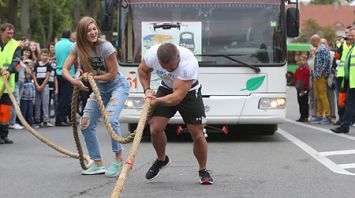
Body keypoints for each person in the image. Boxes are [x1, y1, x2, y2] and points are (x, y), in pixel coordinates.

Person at [61, 16, 129, 177]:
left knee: (111, 119)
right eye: (89, 30)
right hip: (100, 90)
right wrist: (74, 80)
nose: (93, 32)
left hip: (117, 87)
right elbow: (64, 69)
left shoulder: (106, 47)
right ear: (82, 34)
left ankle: (119, 160)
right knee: (85, 124)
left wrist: (91, 78)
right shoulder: (77, 47)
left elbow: (112, 75)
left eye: (94, 29)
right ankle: (97, 163)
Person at [138, 43, 213, 184]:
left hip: (189, 93)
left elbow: (177, 98)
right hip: (166, 88)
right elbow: (142, 70)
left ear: (177, 57)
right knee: (155, 128)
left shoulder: (188, 63)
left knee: (197, 134)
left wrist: (155, 101)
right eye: (163, 67)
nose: (167, 69)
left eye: (171, 67)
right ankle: (162, 159)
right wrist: (147, 89)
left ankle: (203, 170)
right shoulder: (152, 55)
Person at [0, 23, 22, 144]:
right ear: (1, 32)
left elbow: (17, 61)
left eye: (12, 33)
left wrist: (9, 71)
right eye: (8, 33)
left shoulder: (16, 45)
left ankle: (4, 134)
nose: (10, 35)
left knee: (5, 110)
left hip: (8, 84)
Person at [331, 27, 355, 133]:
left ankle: (344, 126)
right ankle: (344, 126)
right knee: (349, 104)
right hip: (350, 81)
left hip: (353, 81)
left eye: (352, 35)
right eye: (349, 35)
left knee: (350, 104)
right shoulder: (352, 48)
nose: (349, 37)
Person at [309, 34, 332, 124]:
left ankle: (328, 116)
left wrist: (321, 72)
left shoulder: (322, 49)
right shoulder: (318, 49)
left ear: (315, 41)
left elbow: (326, 61)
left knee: (323, 96)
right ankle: (319, 115)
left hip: (321, 76)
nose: (311, 44)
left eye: (312, 42)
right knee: (318, 96)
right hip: (317, 75)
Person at [55, 28, 75, 126]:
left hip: (58, 72)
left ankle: (61, 117)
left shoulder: (57, 44)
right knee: (66, 98)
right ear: (69, 35)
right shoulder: (71, 45)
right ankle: (61, 119)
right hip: (68, 73)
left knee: (60, 97)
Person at [33, 48, 52, 128]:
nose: (44, 57)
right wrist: (37, 85)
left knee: (45, 103)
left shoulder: (48, 65)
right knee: (38, 103)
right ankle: (37, 120)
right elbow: (34, 75)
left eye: (46, 55)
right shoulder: (37, 64)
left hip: (45, 86)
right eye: (43, 55)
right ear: (40, 55)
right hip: (37, 86)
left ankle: (45, 120)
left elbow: (47, 77)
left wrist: (42, 86)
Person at [294, 55, 310, 122]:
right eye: (300, 60)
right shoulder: (297, 70)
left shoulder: (306, 70)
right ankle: (301, 116)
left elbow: (306, 80)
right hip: (299, 88)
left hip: (304, 89)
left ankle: (305, 116)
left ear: (306, 62)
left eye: (303, 60)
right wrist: (296, 86)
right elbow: (295, 78)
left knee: (304, 103)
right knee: (300, 102)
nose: (301, 62)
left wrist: (303, 88)